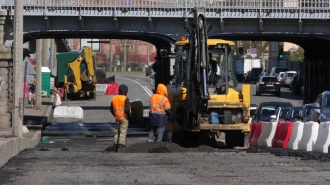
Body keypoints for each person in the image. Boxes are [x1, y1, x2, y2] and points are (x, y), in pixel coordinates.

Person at [110, 84, 131, 150]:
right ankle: (121, 145)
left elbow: (111, 109)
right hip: (124, 118)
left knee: (117, 131)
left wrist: (115, 115)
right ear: (126, 91)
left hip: (117, 118)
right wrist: (130, 117)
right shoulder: (125, 98)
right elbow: (127, 110)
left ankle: (115, 145)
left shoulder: (114, 98)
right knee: (123, 131)